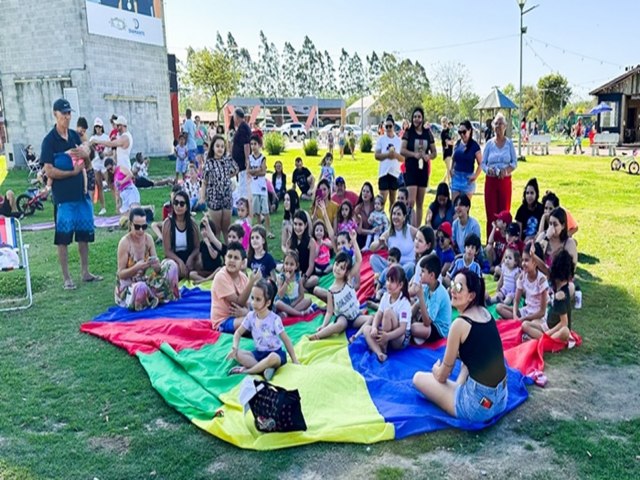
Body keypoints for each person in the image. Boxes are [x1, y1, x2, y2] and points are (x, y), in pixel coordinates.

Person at [413, 270, 508, 423]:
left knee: (418, 378)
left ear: (471, 296)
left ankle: (458, 392)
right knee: (465, 358)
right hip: (501, 398)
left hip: (477, 407)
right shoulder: (486, 313)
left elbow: (442, 376)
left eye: (458, 287)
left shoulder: (459, 324)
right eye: (452, 285)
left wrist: (435, 369)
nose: (452, 290)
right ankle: (458, 388)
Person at [41, 98, 102, 290]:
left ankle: (85, 272)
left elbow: (88, 149)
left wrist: (85, 151)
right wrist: (71, 173)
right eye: (63, 113)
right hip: (64, 198)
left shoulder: (75, 136)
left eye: (69, 113)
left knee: (84, 235)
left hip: (81, 194)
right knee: (63, 238)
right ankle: (67, 278)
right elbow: (49, 171)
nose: (67, 117)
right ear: (55, 114)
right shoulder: (49, 141)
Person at [227, 279, 299, 379]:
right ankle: (264, 369)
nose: (253, 303)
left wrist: (294, 359)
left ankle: (248, 371)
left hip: (275, 353)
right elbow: (238, 333)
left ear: (268, 302)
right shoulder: (250, 316)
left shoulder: (274, 319)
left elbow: (286, 339)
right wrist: (234, 348)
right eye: (252, 298)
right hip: (258, 354)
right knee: (238, 354)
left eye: (258, 299)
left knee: (273, 358)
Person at [115, 207, 180, 310]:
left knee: (171, 265)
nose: (141, 230)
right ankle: (152, 297)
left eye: (144, 226)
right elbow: (121, 274)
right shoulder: (125, 243)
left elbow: (157, 270)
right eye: (137, 227)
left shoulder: (148, 239)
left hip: (144, 281)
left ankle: (157, 297)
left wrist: (156, 265)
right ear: (131, 225)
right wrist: (136, 268)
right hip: (129, 286)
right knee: (141, 288)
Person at [310, 251, 373, 341]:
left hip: (355, 316)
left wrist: (354, 240)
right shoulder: (331, 290)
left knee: (371, 318)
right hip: (343, 317)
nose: (337, 269)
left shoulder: (348, 279)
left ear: (347, 272)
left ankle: (356, 336)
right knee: (341, 325)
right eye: (336, 264)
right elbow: (329, 311)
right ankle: (318, 335)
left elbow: (359, 260)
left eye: (342, 268)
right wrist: (324, 325)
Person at [362, 265, 412, 362]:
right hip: (387, 332)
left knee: (388, 312)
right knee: (366, 329)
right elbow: (378, 314)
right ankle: (380, 353)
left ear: (401, 285)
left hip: (400, 338)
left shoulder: (404, 303)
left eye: (392, 281)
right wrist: (374, 327)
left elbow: (402, 329)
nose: (388, 284)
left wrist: (387, 336)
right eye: (388, 280)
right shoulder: (385, 296)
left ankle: (383, 345)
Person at [522, 250, 574, 342]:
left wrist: (548, 334)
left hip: (556, 330)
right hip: (548, 325)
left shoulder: (560, 295)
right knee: (525, 324)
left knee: (564, 331)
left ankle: (544, 340)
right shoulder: (557, 283)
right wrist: (533, 255)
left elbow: (564, 323)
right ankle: (541, 338)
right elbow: (543, 267)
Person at [482, 113, 518, 239]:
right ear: (493, 126)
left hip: (504, 181)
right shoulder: (489, 144)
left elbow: (514, 163)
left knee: (504, 214)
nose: (498, 126)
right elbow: (482, 163)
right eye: (496, 123)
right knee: (491, 214)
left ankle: (505, 242)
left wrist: (506, 171)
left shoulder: (509, 144)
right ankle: (490, 242)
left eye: (501, 124)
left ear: (505, 126)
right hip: (491, 181)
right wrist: (488, 170)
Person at [211, 242, 261, 333]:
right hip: (223, 321)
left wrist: (246, 312)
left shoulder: (243, 277)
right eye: (229, 257)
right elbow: (238, 302)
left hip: (239, 316)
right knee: (251, 322)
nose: (232, 260)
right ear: (225, 259)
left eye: (236, 258)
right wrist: (251, 282)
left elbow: (249, 303)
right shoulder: (221, 276)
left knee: (262, 318)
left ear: (242, 263)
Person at [401, 107, 437, 227]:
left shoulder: (428, 134)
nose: (417, 119)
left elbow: (434, 152)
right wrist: (413, 154)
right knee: (410, 202)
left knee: (420, 202)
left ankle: (416, 229)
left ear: (422, 118)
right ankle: (408, 226)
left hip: (423, 170)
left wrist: (428, 156)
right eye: (415, 117)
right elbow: (402, 150)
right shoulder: (408, 132)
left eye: (419, 117)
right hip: (411, 169)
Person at [201, 134, 239, 239]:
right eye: (217, 146)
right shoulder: (209, 163)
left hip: (226, 197)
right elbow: (204, 181)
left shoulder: (227, 160)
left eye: (222, 146)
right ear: (213, 147)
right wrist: (202, 197)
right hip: (214, 198)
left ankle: (229, 252)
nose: (220, 149)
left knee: (227, 228)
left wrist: (226, 177)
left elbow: (236, 169)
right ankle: (216, 252)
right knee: (216, 229)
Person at [370, 201, 418, 282]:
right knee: (373, 259)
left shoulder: (411, 230)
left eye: (398, 214)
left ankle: (386, 280)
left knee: (411, 267)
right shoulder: (389, 232)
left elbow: (424, 238)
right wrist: (379, 242)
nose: (395, 217)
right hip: (392, 266)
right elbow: (372, 248)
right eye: (394, 214)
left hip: (406, 267)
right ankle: (389, 279)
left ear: (404, 217)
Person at [499, 244, 549, 322]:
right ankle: (519, 321)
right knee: (499, 307)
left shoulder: (541, 280)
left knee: (528, 324)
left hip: (537, 317)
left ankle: (523, 323)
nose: (523, 263)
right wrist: (515, 314)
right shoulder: (522, 276)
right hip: (526, 312)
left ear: (535, 262)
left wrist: (524, 319)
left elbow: (542, 312)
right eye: (522, 260)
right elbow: (516, 301)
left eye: (526, 260)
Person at [411, 253, 452, 344]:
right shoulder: (428, 287)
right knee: (413, 307)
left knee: (413, 328)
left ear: (432, 275)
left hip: (439, 329)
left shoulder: (438, 293)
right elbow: (416, 305)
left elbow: (427, 322)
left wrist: (421, 297)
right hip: (430, 322)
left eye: (422, 272)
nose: (420, 274)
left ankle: (415, 334)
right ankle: (418, 335)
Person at [161, 190, 200, 280]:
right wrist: (180, 262)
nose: (178, 206)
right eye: (176, 203)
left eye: (182, 204)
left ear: (187, 207)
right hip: (174, 257)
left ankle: (198, 276)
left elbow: (197, 247)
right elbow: (167, 251)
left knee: (200, 262)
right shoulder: (168, 224)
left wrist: (190, 258)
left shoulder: (192, 223)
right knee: (171, 268)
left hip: (189, 256)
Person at [532, 207, 578, 277]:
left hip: (560, 280)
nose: (551, 228)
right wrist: (546, 238)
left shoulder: (569, 243)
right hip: (541, 279)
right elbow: (535, 257)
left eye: (555, 225)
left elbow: (571, 269)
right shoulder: (543, 236)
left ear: (563, 226)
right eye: (550, 224)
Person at [374, 115, 404, 209]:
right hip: (384, 173)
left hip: (394, 173)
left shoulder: (398, 141)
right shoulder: (381, 140)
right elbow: (376, 155)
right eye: (386, 126)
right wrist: (387, 155)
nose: (388, 129)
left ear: (394, 126)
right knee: (382, 199)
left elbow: (403, 158)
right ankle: (380, 219)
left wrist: (395, 155)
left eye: (390, 126)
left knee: (393, 200)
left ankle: (392, 220)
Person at [274, 250, 316, 317]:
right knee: (278, 303)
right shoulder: (281, 277)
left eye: (291, 264)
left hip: (293, 303)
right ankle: (299, 313)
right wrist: (286, 282)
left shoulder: (298, 277)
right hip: (283, 303)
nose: (288, 267)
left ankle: (287, 313)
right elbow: (280, 295)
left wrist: (294, 303)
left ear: (296, 266)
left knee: (308, 301)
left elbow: (301, 295)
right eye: (286, 264)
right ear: (283, 264)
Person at [247, 134, 273, 237]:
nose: (253, 146)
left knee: (265, 211)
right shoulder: (250, 157)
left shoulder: (262, 157)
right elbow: (248, 171)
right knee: (256, 211)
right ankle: (259, 230)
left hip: (261, 187)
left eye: (255, 144)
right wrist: (256, 170)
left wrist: (256, 172)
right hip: (254, 188)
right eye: (251, 144)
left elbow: (263, 172)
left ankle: (268, 230)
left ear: (259, 145)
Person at [450, 120, 482, 202]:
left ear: (469, 130)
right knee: (454, 207)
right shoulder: (457, 144)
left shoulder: (474, 146)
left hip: (467, 179)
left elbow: (481, 163)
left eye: (464, 132)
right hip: (456, 177)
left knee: (464, 208)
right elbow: (453, 158)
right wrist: (451, 169)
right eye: (460, 132)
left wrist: (475, 175)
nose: (462, 134)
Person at [288, 210, 319, 291]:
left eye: (300, 224)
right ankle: (300, 288)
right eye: (295, 224)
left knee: (315, 279)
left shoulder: (311, 242)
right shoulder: (290, 241)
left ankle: (299, 287)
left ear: (305, 225)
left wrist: (303, 278)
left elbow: (311, 265)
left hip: (307, 275)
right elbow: (288, 263)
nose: (297, 227)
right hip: (294, 274)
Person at [89, 118, 108, 215]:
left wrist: (104, 154)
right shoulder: (92, 138)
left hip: (104, 163)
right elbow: (90, 146)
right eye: (96, 127)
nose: (98, 129)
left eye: (99, 127)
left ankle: (119, 204)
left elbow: (109, 150)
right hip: (96, 163)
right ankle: (103, 207)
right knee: (99, 185)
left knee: (110, 183)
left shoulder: (106, 137)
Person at [231, 108, 252, 199]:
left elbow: (246, 144)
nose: (233, 119)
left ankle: (244, 200)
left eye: (234, 116)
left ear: (237, 117)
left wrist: (247, 159)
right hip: (238, 163)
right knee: (240, 181)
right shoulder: (240, 127)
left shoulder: (243, 127)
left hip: (242, 162)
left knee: (243, 183)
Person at [354, 182, 376, 249]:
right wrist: (370, 232)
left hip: (374, 235)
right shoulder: (358, 208)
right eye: (363, 191)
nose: (365, 193)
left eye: (367, 192)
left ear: (371, 195)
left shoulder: (375, 206)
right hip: (362, 236)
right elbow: (358, 230)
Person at [280, 189, 300, 255]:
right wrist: (288, 252)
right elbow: (283, 245)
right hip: (291, 253)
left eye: (288, 200)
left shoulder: (304, 215)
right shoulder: (285, 221)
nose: (285, 202)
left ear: (295, 201)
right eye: (284, 200)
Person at [440, 116, 454, 185]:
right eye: (443, 122)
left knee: (449, 168)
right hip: (446, 152)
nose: (445, 123)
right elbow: (447, 142)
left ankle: (443, 182)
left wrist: (451, 141)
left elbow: (453, 139)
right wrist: (450, 142)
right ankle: (449, 183)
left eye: (446, 121)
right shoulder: (442, 132)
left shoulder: (449, 130)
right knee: (449, 168)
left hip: (451, 151)